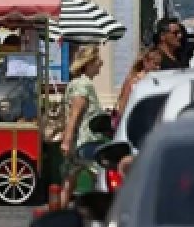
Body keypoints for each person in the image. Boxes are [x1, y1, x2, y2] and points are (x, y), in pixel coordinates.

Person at [59, 45, 104, 206]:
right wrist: (67, 139)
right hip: (86, 142)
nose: (101, 63)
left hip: (78, 143)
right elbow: (75, 114)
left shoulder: (78, 83)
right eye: (98, 60)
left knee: (69, 182)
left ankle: (59, 216)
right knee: (102, 178)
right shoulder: (83, 85)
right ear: (89, 62)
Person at [114, 47, 163, 118]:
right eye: (155, 64)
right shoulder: (133, 81)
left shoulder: (157, 81)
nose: (158, 67)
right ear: (145, 61)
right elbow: (123, 105)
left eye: (159, 64)